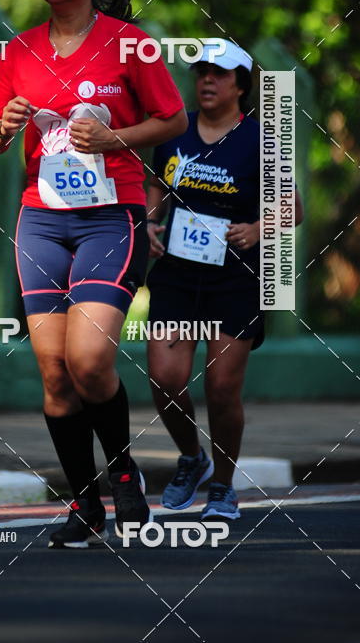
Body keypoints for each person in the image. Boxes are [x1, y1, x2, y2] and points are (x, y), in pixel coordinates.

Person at [0, 0, 187, 548]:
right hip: (41, 217)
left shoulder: (131, 46)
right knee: (54, 373)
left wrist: (116, 139)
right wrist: (4, 126)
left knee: (90, 359)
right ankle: (85, 502)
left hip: (109, 215)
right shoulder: (19, 50)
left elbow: (171, 117)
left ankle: (123, 471)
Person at [146, 41, 303, 520]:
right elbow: (156, 188)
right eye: (202, 73)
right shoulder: (175, 131)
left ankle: (223, 485)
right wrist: (150, 222)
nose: (208, 81)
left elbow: (292, 208)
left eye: (220, 74)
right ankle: (191, 458)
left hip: (236, 277)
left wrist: (256, 228)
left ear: (240, 85)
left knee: (220, 386)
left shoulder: (260, 138)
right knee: (165, 378)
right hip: (176, 273)